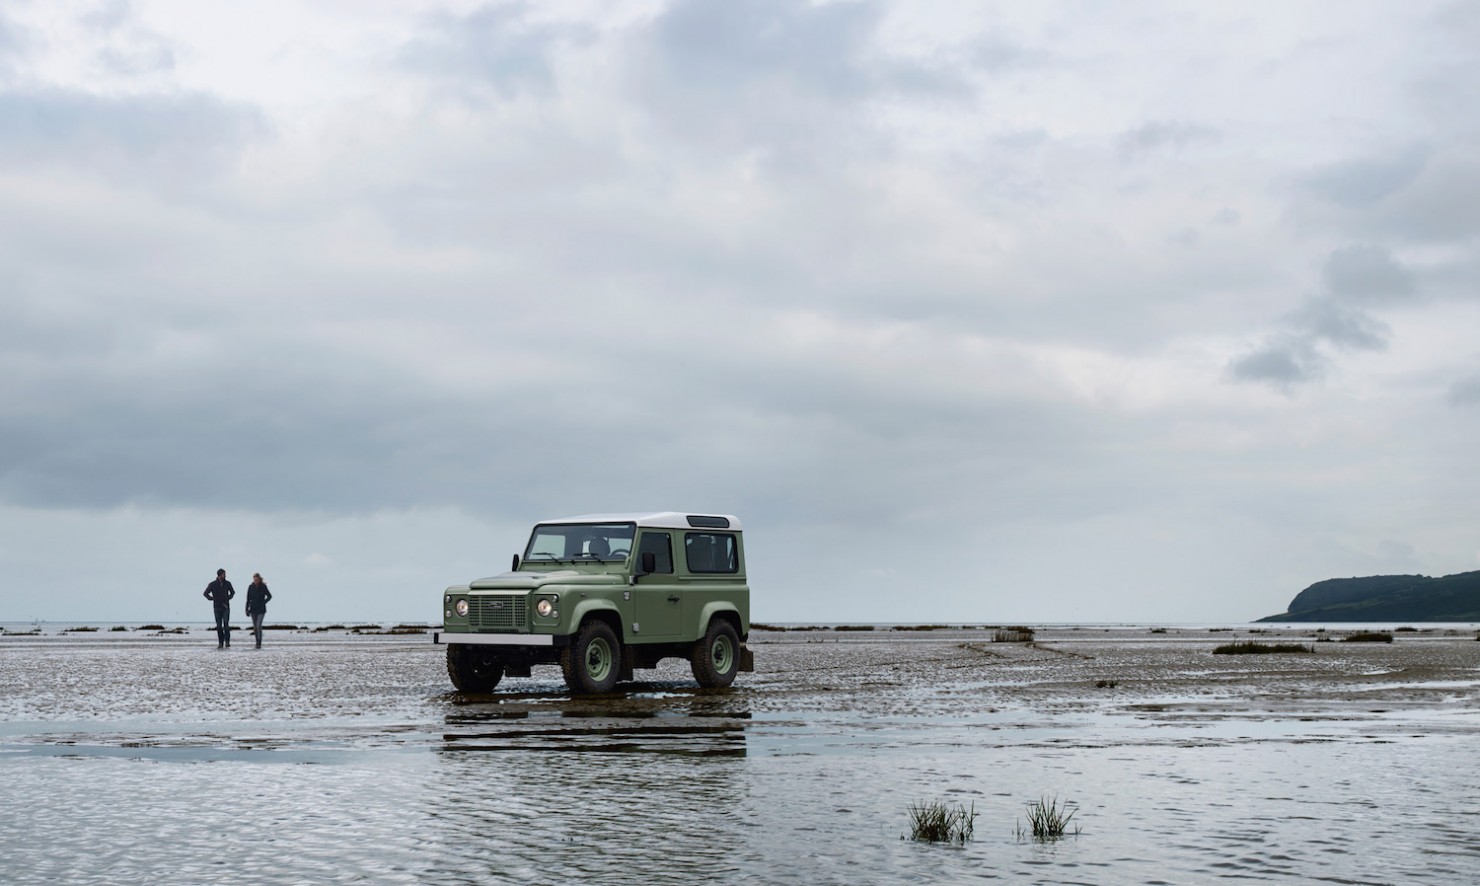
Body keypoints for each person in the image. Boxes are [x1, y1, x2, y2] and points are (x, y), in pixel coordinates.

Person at [203, 568, 235, 648]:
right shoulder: (213, 584)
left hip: (226, 607)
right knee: (219, 626)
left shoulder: (227, 583)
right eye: (223, 574)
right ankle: (220, 642)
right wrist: (212, 599)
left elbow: (232, 592)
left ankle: (227, 642)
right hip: (217, 607)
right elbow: (205, 593)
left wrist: (228, 598)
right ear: (219, 575)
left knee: (226, 624)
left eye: (225, 574)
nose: (225, 575)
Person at [245, 573, 273, 649]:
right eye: (254, 580)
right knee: (255, 627)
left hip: (261, 609)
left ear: (259, 579)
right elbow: (248, 599)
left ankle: (259, 642)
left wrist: (264, 602)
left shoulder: (263, 587)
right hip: (253, 609)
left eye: (257, 580)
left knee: (258, 625)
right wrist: (246, 609)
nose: (255, 581)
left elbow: (269, 596)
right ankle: (257, 641)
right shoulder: (251, 587)